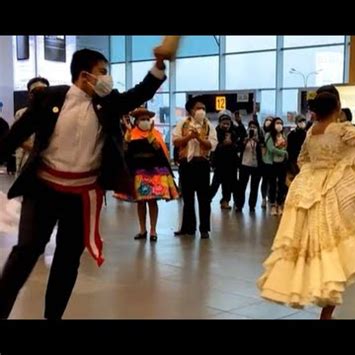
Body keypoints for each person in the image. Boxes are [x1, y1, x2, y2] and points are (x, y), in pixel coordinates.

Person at [0, 42, 171, 319]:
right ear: (84, 75)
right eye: (102, 72)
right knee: (25, 253)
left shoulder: (108, 103)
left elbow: (140, 92)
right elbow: (14, 137)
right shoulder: (49, 99)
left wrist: (159, 66)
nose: (107, 78)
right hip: (44, 190)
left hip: (82, 197)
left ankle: (52, 317)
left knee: (67, 261)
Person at [258, 92, 355, 320]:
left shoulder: (312, 131)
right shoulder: (343, 129)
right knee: (333, 244)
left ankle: (320, 300)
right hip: (332, 190)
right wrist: (345, 165)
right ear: (337, 107)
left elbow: (303, 159)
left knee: (310, 243)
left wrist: (316, 171)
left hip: (307, 190)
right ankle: (327, 308)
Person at [114, 107, 179, 242]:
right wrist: (126, 134)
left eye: (147, 119)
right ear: (136, 121)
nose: (145, 121)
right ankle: (142, 229)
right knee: (141, 202)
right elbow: (125, 151)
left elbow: (159, 150)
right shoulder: (131, 134)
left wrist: (150, 136)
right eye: (142, 119)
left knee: (153, 201)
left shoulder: (155, 133)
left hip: (154, 172)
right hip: (138, 172)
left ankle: (153, 230)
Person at [172, 96, 217, 239]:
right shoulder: (182, 123)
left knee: (204, 198)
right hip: (186, 164)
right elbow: (176, 141)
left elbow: (212, 145)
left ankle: (204, 229)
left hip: (202, 163)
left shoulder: (209, 125)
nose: (201, 111)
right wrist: (190, 137)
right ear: (191, 110)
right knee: (188, 198)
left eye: (203, 109)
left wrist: (198, 138)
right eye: (198, 108)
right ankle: (188, 227)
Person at [15, 77, 50, 173]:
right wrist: (37, 150)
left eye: (43, 91)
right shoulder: (21, 114)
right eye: (36, 92)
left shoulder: (56, 113)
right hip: (27, 161)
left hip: (50, 163)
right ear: (30, 94)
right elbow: (18, 139)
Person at [210, 110, 239, 210]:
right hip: (219, 163)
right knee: (215, 183)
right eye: (224, 123)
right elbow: (213, 147)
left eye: (228, 123)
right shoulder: (215, 132)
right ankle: (208, 199)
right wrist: (223, 145)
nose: (226, 125)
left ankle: (225, 201)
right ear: (220, 123)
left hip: (231, 163)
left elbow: (238, 144)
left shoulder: (233, 132)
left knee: (227, 185)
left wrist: (232, 144)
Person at [235, 120, 263, 212]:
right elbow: (238, 149)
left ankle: (252, 206)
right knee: (241, 186)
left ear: (257, 129)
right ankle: (239, 205)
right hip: (244, 165)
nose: (252, 128)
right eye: (250, 126)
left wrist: (258, 142)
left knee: (254, 187)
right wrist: (245, 141)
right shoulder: (244, 137)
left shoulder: (260, 138)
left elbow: (263, 150)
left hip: (257, 166)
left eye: (254, 127)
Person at [264, 117, 288, 216]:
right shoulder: (269, 135)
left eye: (281, 123)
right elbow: (271, 148)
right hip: (272, 163)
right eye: (277, 123)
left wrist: (283, 151)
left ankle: (279, 204)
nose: (279, 125)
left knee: (282, 184)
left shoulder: (283, 136)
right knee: (272, 185)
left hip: (282, 163)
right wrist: (283, 152)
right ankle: (273, 205)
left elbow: (285, 145)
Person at [286, 115, 307, 183]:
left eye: (303, 121)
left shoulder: (307, 134)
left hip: (304, 161)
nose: (302, 123)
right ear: (296, 123)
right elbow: (289, 148)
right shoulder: (292, 134)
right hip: (294, 160)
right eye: (300, 121)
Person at [260, 116, 273, 208]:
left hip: (273, 161)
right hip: (263, 161)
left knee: (272, 181)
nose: (268, 122)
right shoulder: (261, 133)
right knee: (265, 180)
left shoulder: (275, 134)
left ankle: (271, 198)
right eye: (267, 120)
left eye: (270, 121)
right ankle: (264, 198)